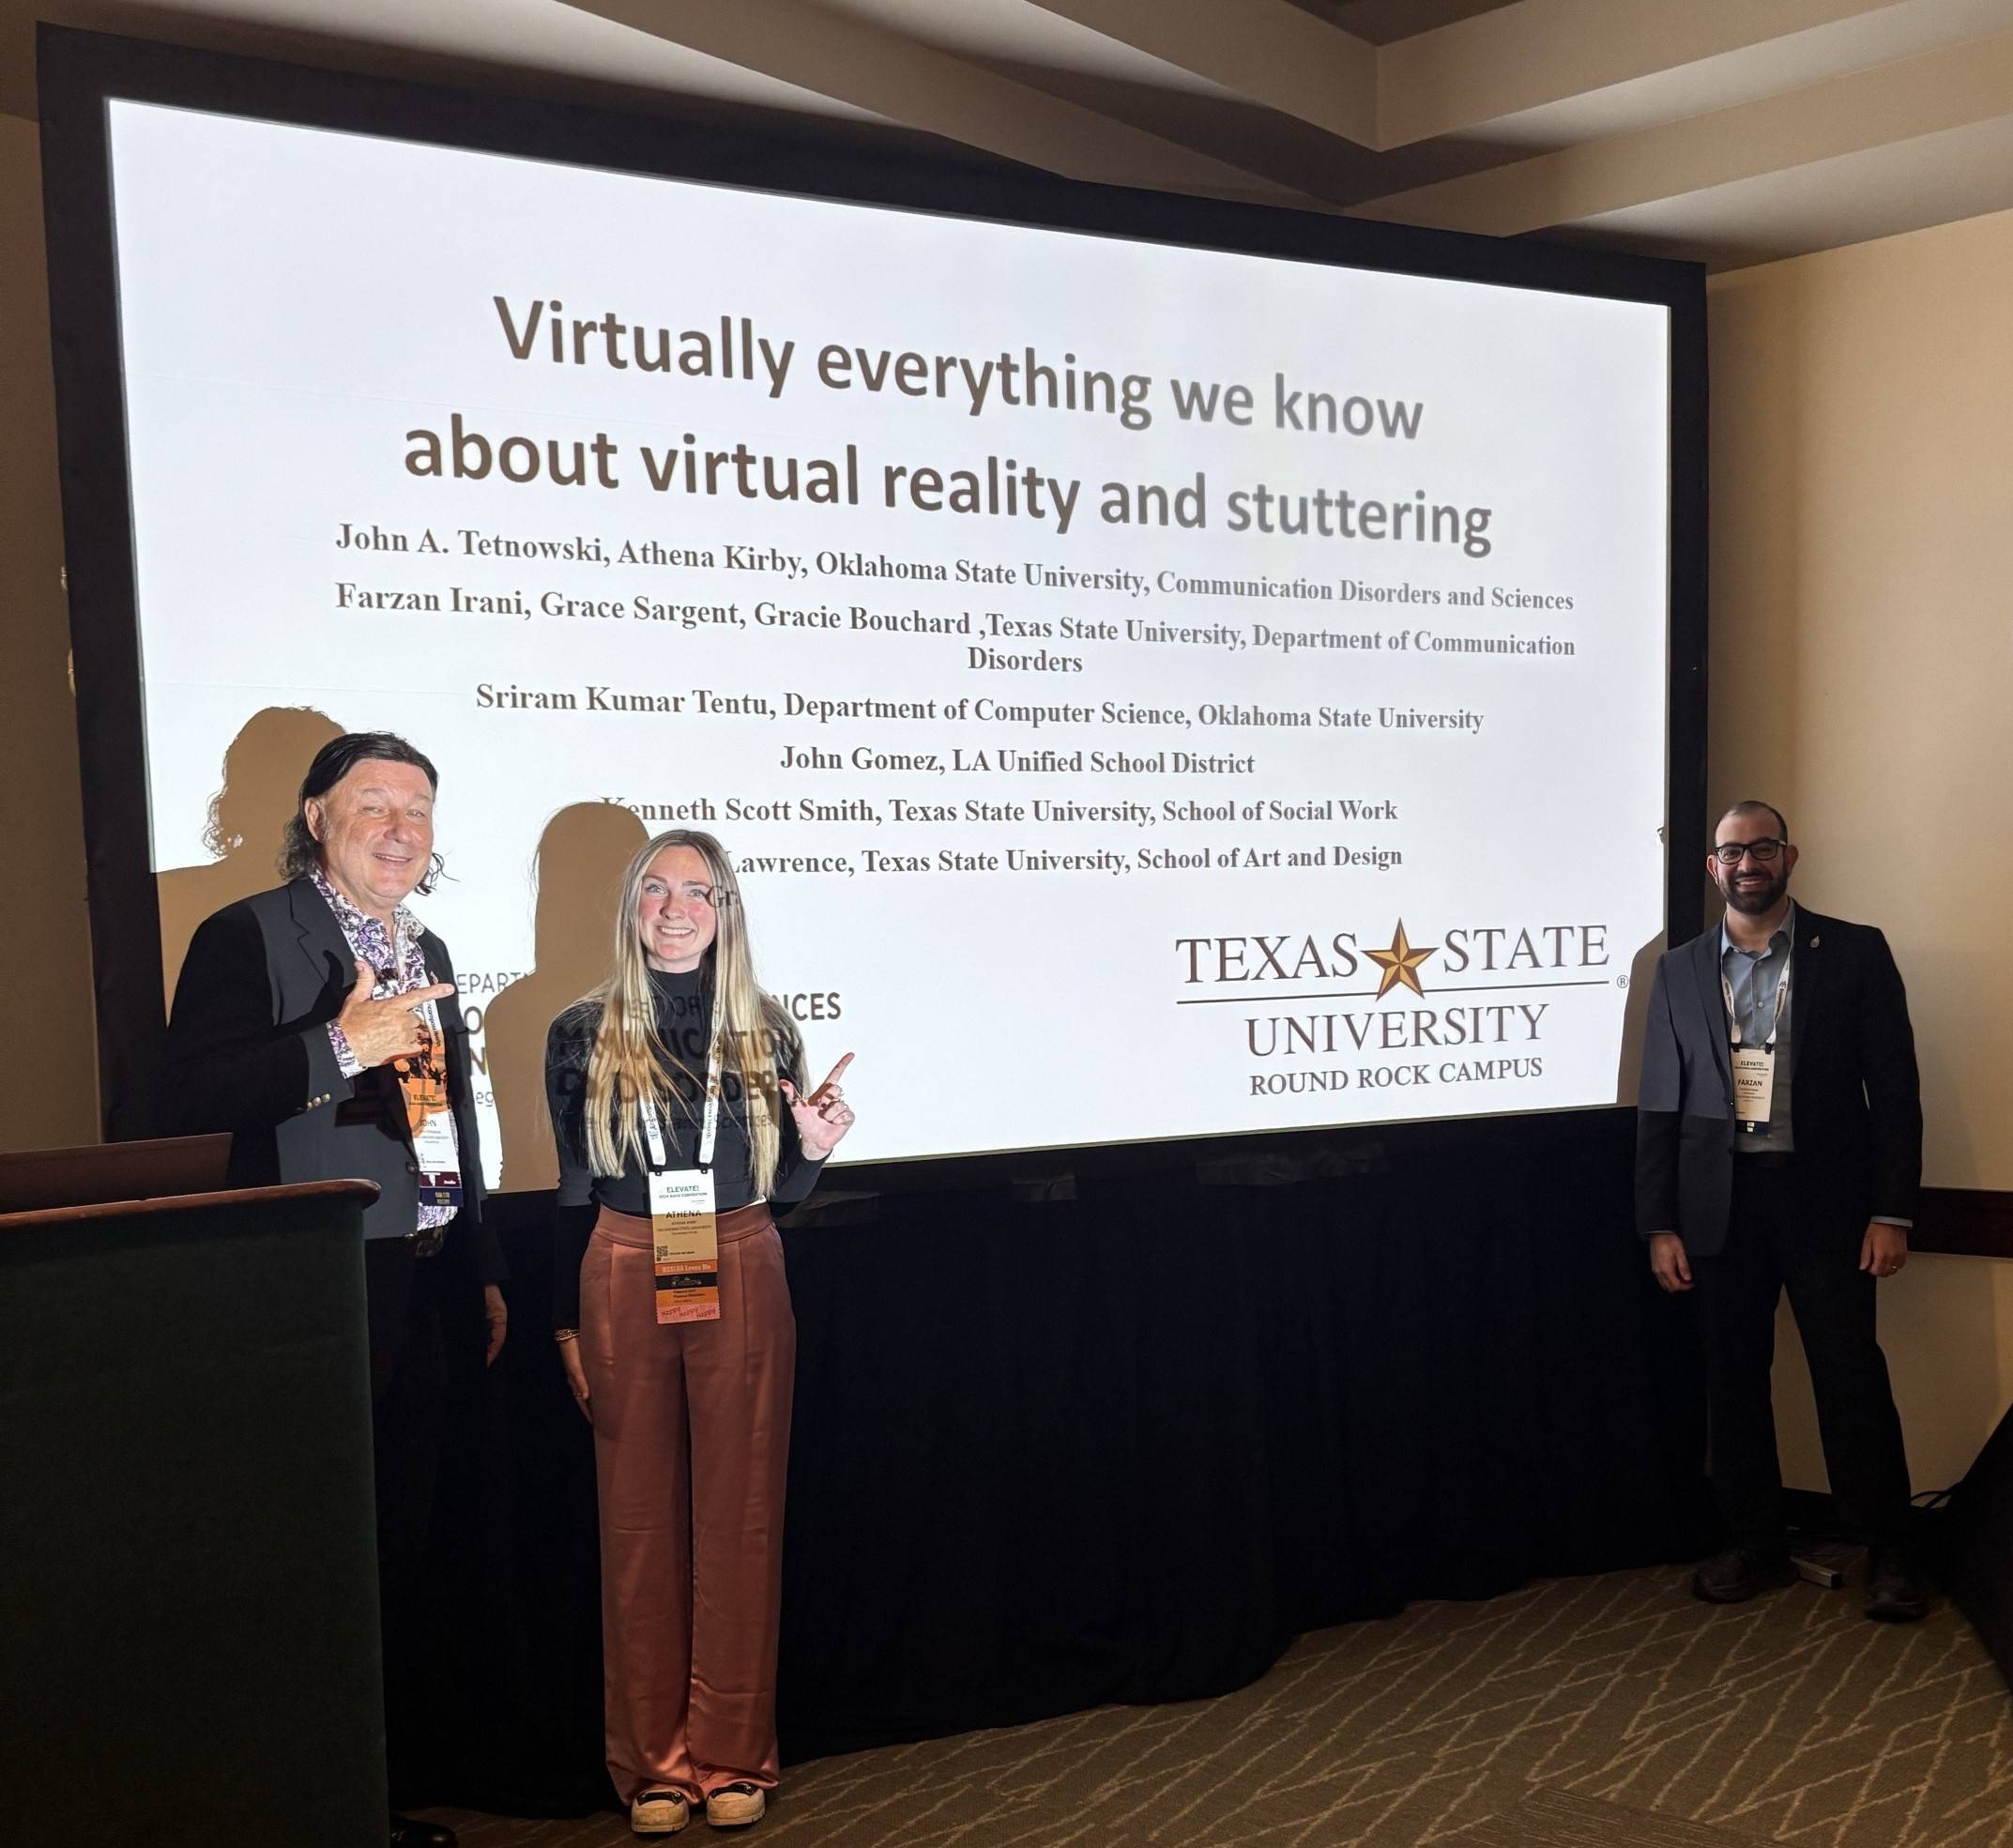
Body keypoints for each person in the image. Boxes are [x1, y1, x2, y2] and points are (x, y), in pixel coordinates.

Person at [162, 732, 505, 1848]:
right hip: (312, 1289)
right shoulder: (246, 933)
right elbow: (185, 1097)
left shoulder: (427, 942)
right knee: (317, 1555)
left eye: (420, 807)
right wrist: (336, 1044)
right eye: (373, 804)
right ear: (316, 815)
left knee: (391, 1553)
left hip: (424, 1274)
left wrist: (482, 1258)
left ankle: (366, 1797)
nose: (401, 828)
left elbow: (446, 1116)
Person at [543, 830, 854, 1835]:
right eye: (657, 891)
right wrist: (563, 1319)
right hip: (626, 1261)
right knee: (635, 1523)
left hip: (744, 1253)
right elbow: (571, 1189)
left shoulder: (766, 1028)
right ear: (631, 906)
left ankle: (731, 1754)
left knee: (742, 1514)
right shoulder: (580, 1029)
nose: (677, 909)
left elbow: (788, 1189)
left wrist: (810, 1154)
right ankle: (654, 1767)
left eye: (700, 893)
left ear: (728, 911)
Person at [1636, 800, 1927, 1620]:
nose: (1747, 863)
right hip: (1718, 1210)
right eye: (1732, 852)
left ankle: (1892, 1550)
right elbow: (1660, 1105)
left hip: (1826, 1206)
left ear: (1788, 856)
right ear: (1711, 868)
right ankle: (1754, 1540)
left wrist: (1892, 1210)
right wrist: (1659, 1222)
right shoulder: (1681, 969)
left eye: (1761, 848)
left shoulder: (1856, 952)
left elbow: (1896, 1094)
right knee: (1732, 1384)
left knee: (1850, 1380)